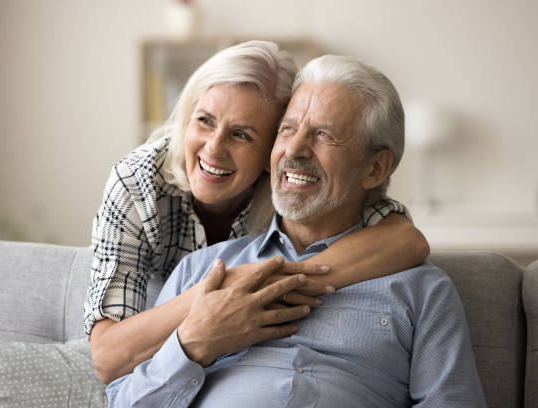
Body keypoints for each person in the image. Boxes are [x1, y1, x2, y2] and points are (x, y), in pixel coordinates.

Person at [105, 55, 487, 407]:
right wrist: (192, 346)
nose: (296, 149)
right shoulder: (200, 272)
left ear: (375, 169)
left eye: (324, 135)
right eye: (287, 129)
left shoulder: (422, 291)